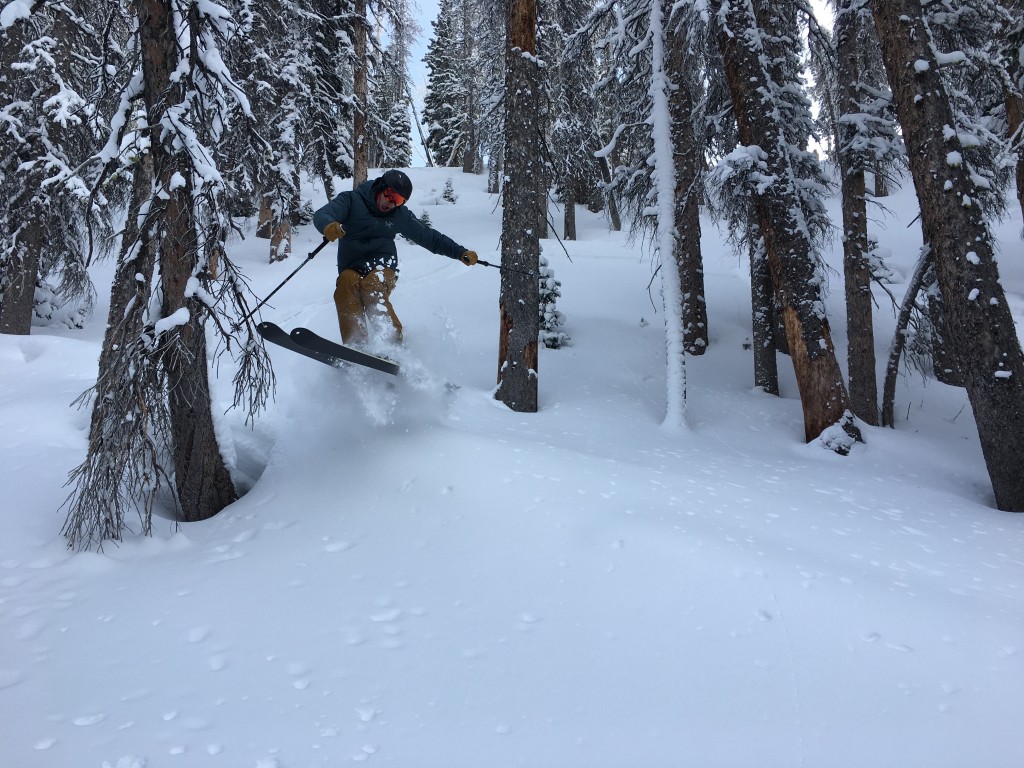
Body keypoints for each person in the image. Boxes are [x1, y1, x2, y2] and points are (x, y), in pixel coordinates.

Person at [313, 169, 477, 347]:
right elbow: (322, 214)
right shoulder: (351, 200)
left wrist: (460, 252)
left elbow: (430, 237)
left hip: (383, 265)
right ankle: (356, 344)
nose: (391, 203)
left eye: (398, 200)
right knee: (345, 283)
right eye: (390, 195)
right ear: (380, 187)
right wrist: (328, 225)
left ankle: (392, 342)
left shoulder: (399, 216)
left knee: (373, 284)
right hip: (351, 266)